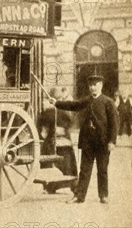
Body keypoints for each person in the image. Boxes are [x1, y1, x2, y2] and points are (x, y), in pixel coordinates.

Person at [49, 75, 118, 204]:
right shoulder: (86, 101)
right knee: (85, 170)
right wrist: (56, 103)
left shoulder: (108, 102)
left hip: (103, 143)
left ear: (101, 86)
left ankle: (103, 195)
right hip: (88, 143)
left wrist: (112, 141)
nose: (93, 88)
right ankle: (79, 196)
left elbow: (114, 124)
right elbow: (72, 105)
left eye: (95, 85)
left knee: (102, 170)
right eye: (91, 85)